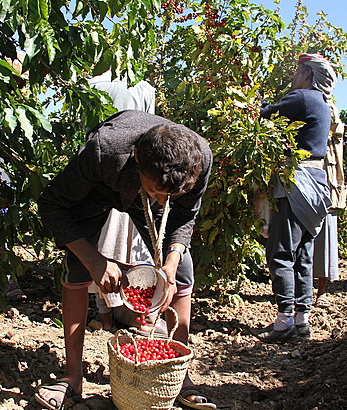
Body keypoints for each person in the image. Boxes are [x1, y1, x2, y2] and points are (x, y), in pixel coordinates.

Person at [36, 110, 216, 410]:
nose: (162, 201)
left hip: (155, 181)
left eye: (171, 194)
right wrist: (94, 260)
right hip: (98, 189)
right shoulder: (104, 151)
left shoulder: (199, 160)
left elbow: (185, 215)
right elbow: (52, 205)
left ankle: (179, 375)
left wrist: (169, 264)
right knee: (78, 267)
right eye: (156, 191)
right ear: (136, 158)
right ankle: (72, 378)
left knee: (182, 272)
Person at [255, 53, 337, 343]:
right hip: (317, 183)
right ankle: (302, 319)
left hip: (297, 184)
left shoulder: (303, 97)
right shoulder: (323, 105)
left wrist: (251, 101)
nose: (293, 76)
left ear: (307, 75)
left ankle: (284, 321)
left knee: (280, 252)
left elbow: (265, 113)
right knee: (302, 254)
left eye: (297, 71)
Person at [88, 71, 155, 330]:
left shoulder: (92, 85)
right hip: (137, 177)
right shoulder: (145, 88)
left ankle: (104, 313)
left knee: (103, 243)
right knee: (134, 243)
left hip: (100, 175)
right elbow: (151, 133)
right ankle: (139, 313)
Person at [313, 101, 347, 308]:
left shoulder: (328, 107)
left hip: (326, 177)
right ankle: (300, 290)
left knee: (325, 233)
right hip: (301, 176)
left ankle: (322, 288)